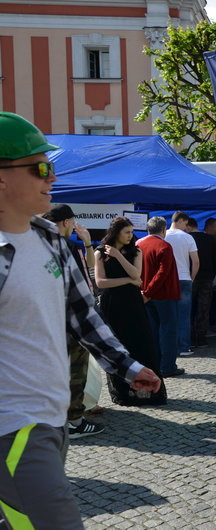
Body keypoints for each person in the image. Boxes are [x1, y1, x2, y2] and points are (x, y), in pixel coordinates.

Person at [0, 111, 160, 529]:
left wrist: (127, 367)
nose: (52, 177)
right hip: (13, 427)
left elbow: (82, 314)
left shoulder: (50, 238)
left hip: (53, 419)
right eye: (40, 167)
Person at [42, 204, 104, 438]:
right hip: (70, 320)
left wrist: (87, 243)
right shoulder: (65, 245)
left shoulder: (39, 243)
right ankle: (75, 421)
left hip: (49, 319)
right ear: (67, 222)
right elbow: (83, 280)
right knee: (75, 371)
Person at [96, 217, 167, 405]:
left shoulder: (136, 251)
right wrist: (128, 281)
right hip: (112, 305)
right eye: (126, 232)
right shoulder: (100, 252)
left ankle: (151, 392)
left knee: (142, 344)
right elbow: (100, 282)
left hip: (133, 304)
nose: (130, 235)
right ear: (116, 232)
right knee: (117, 346)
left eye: (131, 231)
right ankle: (124, 393)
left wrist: (118, 256)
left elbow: (137, 276)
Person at [137, 216, 184, 378]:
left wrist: (144, 292)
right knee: (168, 331)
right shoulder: (164, 246)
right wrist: (149, 291)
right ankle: (168, 366)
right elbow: (163, 273)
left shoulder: (139, 244)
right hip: (163, 295)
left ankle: (154, 363)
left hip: (145, 294)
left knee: (153, 331)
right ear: (163, 229)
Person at [165, 212, 198, 357]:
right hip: (184, 278)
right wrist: (191, 277)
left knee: (168, 315)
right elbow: (196, 262)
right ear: (181, 221)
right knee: (184, 315)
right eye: (186, 224)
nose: (186, 227)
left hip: (167, 280)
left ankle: (169, 346)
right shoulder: (188, 237)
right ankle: (184, 347)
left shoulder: (162, 235)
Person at [187, 217, 216, 348]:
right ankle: (200, 339)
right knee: (203, 309)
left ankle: (187, 338)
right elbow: (215, 260)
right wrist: (211, 276)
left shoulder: (187, 238)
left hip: (190, 278)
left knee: (187, 309)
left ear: (188, 226)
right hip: (206, 279)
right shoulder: (209, 239)